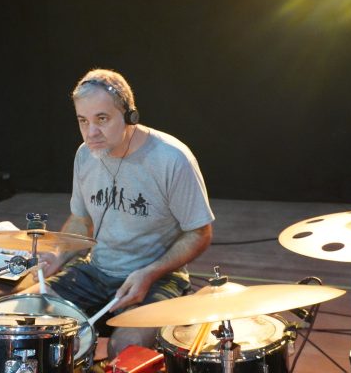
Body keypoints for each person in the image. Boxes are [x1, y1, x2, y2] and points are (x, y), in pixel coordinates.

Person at [26, 68, 214, 359]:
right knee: (28, 317)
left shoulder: (172, 159)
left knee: (125, 348)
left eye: (102, 119)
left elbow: (199, 233)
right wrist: (58, 254)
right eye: (83, 121)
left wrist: (150, 273)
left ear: (129, 115)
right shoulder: (85, 154)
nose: (91, 132)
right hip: (96, 270)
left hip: (159, 276)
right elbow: (81, 220)